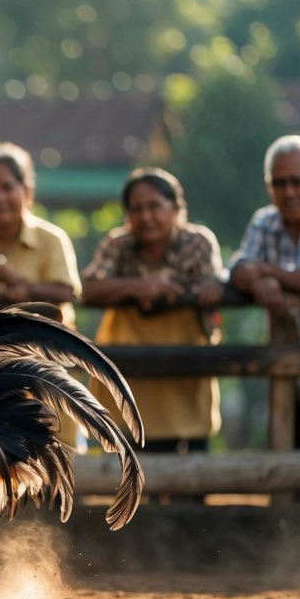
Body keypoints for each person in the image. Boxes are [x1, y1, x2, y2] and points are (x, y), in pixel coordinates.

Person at [82, 168, 225, 469]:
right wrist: (139, 287)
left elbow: (213, 283)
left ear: (176, 209)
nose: (145, 216)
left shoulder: (198, 242)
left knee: (193, 468)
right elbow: (88, 289)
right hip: (130, 373)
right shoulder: (117, 244)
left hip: (185, 367)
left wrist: (175, 285)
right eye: (136, 209)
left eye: (154, 206)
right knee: (128, 463)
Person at [230, 135, 300, 451]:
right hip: (292, 382)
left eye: (298, 181)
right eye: (279, 183)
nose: (289, 192)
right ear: (269, 186)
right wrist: (257, 282)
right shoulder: (264, 222)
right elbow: (238, 269)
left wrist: (267, 272)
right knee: (295, 477)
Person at [0, 141, 81, 326]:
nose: (0, 197)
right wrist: (11, 294)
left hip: (48, 345)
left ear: (26, 191)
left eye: (7, 188)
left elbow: (64, 292)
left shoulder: (51, 238)